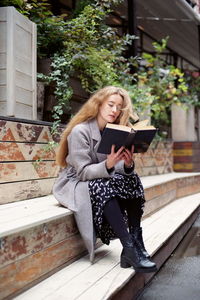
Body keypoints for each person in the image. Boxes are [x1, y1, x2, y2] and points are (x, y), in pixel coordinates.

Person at [53, 86, 157, 273]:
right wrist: (109, 164)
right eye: (110, 105)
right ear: (98, 104)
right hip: (75, 182)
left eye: (119, 107)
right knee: (103, 185)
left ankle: (136, 241)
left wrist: (126, 164)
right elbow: (83, 172)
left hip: (100, 177)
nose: (115, 110)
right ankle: (129, 248)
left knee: (132, 179)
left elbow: (114, 169)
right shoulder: (80, 131)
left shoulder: (116, 132)